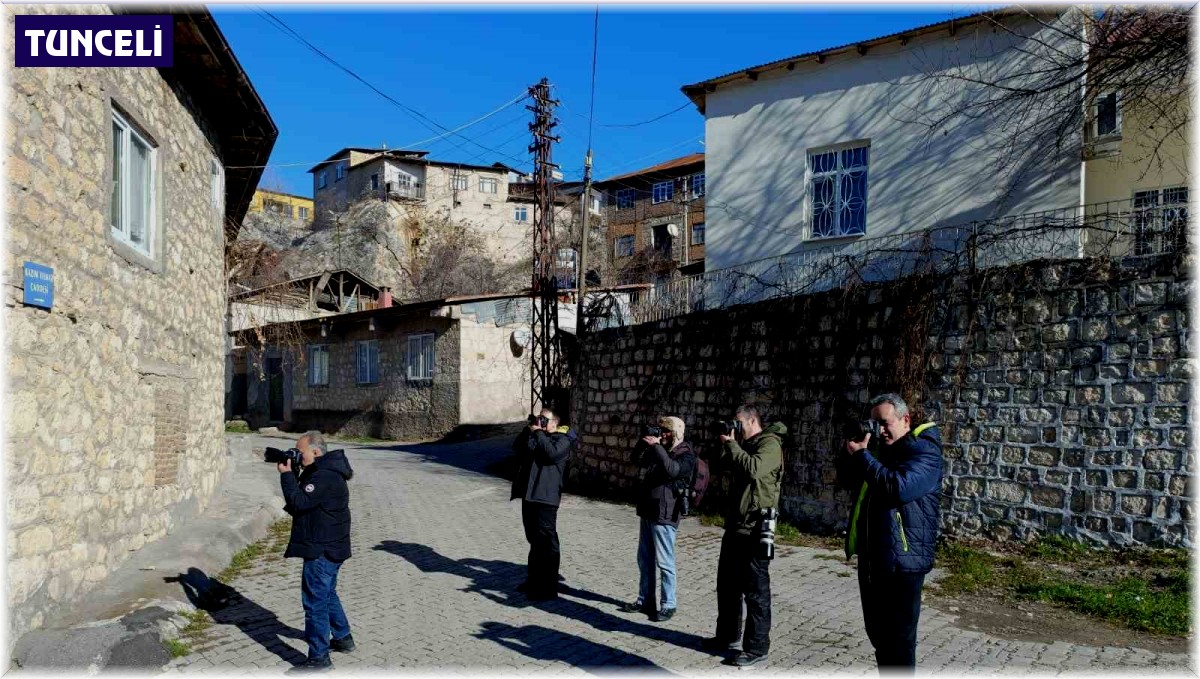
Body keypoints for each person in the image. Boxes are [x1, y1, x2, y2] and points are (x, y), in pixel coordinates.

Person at [838, 393, 943, 673]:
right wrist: (854, 453)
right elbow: (845, 480)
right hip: (875, 559)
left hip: (904, 563)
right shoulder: (879, 453)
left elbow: (899, 487)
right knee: (880, 638)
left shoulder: (925, 451)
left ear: (905, 419)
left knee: (899, 642)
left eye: (885, 423)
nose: (880, 431)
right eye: (875, 424)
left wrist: (864, 457)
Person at [702, 404, 786, 668]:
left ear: (752, 421)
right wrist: (725, 443)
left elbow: (753, 469)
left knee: (755, 591)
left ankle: (757, 647)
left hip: (756, 527)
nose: (734, 427)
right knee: (727, 586)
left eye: (738, 422)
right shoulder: (744, 444)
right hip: (735, 525)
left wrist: (734, 445)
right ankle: (727, 636)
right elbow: (721, 464)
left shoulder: (770, 444)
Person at [278, 431, 355, 673]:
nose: (297, 456)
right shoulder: (323, 472)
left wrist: (287, 476)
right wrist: (297, 474)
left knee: (315, 603)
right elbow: (302, 505)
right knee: (327, 593)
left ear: (315, 452)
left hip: (322, 549)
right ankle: (343, 638)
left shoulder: (324, 476)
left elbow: (299, 503)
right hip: (331, 546)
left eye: (300, 452)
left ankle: (319, 659)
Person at [619, 416, 697, 622]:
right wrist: (644, 440)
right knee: (644, 559)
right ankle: (645, 599)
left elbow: (672, 470)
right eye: (661, 431)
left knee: (665, 562)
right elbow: (636, 460)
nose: (662, 435)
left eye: (666, 432)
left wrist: (657, 447)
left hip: (666, 513)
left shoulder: (686, 454)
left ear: (676, 433)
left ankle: (669, 604)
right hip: (648, 510)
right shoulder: (659, 448)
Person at [510, 408, 576, 601]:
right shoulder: (537, 436)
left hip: (546, 498)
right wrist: (527, 430)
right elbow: (518, 448)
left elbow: (550, 455)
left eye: (544, 419)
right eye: (539, 418)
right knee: (534, 541)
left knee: (547, 543)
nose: (540, 422)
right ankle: (534, 579)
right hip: (530, 496)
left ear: (554, 422)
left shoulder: (562, 439)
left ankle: (549, 587)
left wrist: (538, 433)